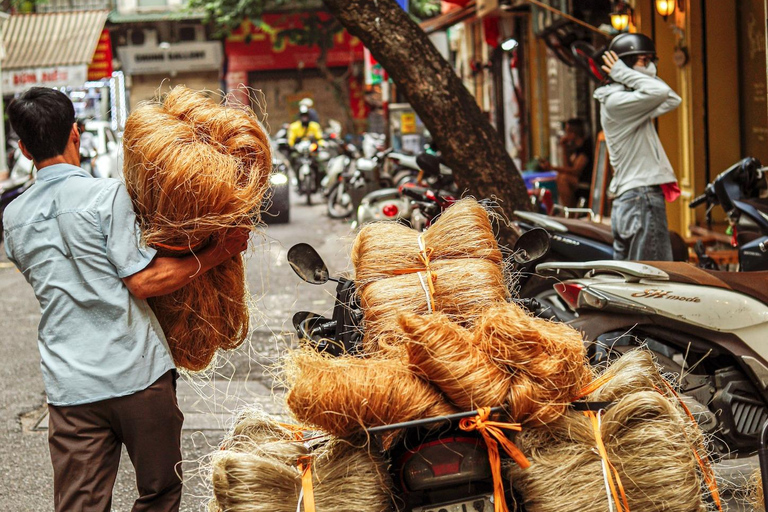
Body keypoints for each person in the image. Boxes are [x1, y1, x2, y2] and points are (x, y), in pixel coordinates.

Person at [2, 87, 250, 511]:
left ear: (24, 148)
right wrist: (218, 252)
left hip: (70, 384)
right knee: (159, 492)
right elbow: (145, 281)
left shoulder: (13, 215)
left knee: (80, 504)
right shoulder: (107, 196)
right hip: (138, 374)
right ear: (75, 135)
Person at [594, 33, 681, 261]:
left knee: (630, 288)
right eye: (644, 60)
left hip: (632, 201)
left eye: (652, 61)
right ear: (623, 65)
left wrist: (634, 73)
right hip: (641, 199)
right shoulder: (618, 102)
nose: (650, 66)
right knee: (652, 281)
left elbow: (673, 99)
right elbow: (661, 93)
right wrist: (624, 73)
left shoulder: (627, 101)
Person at [540, 118, 592, 208]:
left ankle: (570, 209)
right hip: (576, 181)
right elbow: (566, 167)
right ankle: (567, 208)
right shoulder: (574, 148)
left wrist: (553, 168)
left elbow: (576, 170)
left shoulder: (585, 148)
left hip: (586, 182)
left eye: (567, 132)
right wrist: (564, 148)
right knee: (560, 177)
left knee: (563, 179)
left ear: (573, 133)